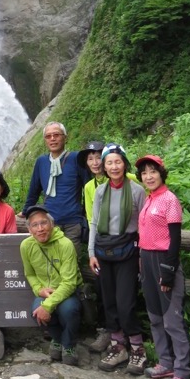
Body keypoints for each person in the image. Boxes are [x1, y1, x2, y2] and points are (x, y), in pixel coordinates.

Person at [88, 143, 147, 375]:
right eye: (109, 162)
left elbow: (144, 226)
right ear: (103, 166)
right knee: (110, 301)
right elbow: (94, 223)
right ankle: (117, 345)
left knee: (125, 302)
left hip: (128, 252)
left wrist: (142, 254)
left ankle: (137, 348)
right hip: (104, 251)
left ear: (125, 164)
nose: (114, 166)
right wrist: (91, 253)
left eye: (118, 161)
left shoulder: (137, 191)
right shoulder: (101, 191)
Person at [136, 154, 190, 379]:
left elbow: (175, 239)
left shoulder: (170, 200)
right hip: (147, 261)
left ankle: (183, 373)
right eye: (144, 173)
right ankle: (166, 362)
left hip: (163, 262)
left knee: (172, 320)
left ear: (161, 173)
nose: (148, 176)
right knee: (155, 317)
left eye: (152, 171)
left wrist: (168, 271)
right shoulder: (149, 199)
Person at [20, 205, 82, 366]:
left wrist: (47, 306)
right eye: (35, 225)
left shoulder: (65, 244)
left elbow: (69, 282)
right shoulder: (26, 246)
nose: (40, 229)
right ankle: (57, 339)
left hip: (66, 292)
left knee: (68, 309)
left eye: (43, 223)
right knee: (35, 312)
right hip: (45, 292)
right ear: (30, 230)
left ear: (52, 224)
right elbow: (30, 274)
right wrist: (38, 289)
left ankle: (68, 345)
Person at [21, 122, 89, 251]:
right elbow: (34, 191)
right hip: (48, 222)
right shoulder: (41, 162)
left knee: (71, 261)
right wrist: (25, 212)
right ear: (45, 140)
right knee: (52, 263)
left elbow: (88, 188)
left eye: (56, 135)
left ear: (65, 137)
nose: (52, 139)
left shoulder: (76, 158)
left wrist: (85, 214)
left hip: (72, 222)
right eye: (48, 136)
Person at [78, 140, 110, 353]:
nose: (95, 162)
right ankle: (107, 331)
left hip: (124, 244)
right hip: (100, 245)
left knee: (123, 292)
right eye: (90, 158)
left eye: (99, 157)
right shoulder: (89, 187)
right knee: (103, 288)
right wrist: (91, 250)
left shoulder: (129, 180)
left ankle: (125, 338)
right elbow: (91, 220)